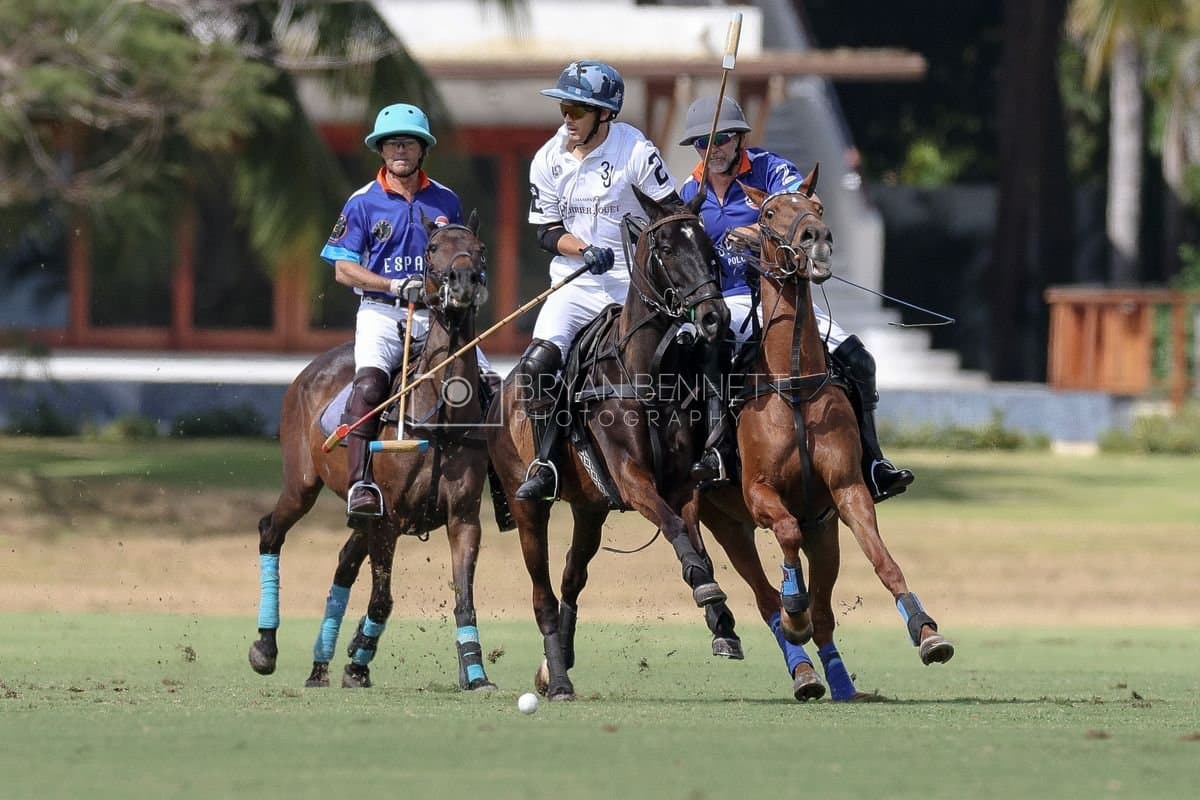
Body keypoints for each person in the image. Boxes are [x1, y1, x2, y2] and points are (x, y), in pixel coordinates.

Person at [677, 96, 914, 503]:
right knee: (702, 355)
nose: (712, 150)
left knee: (860, 360)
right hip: (730, 301)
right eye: (702, 143)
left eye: (721, 139)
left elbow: (802, 210)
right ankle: (715, 451)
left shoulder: (771, 168)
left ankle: (873, 463)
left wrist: (756, 234)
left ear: (739, 139)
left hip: (784, 296)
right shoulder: (689, 192)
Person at [514, 60, 689, 501]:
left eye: (578, 110)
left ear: (605, 113)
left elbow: (672, 213)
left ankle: (706, 453)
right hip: (575, 284)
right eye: (564, 109)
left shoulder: (636, 151)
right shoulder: (547, 159)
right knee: (536, 367)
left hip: (636, 288)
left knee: (692, 353)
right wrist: (582, 250)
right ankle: (547, 462)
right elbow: (546, 232)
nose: (567, 118)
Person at [321, 103, 495, 518]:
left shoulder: (446, 200)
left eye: (409, 143)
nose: (401, 149)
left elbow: (460, 254)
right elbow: (343, 269)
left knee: (489, 385)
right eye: (393, 143)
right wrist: (392, 284)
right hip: (382, 312)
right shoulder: (363, 202)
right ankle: (361, 484)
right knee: (368, 387)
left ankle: (503, 484)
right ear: (381, 151)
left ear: (422, 151)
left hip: (437, 315)